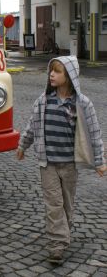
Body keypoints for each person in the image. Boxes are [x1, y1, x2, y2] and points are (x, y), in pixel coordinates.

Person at [16, 56, 106, 265]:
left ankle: (64, 231)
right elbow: (32, 126)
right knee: (53, 204)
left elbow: (94, 133)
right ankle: (57, 245)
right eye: (51, 71)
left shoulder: (82, 104)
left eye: (57, 72)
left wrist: (100, 162)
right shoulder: (43, 101)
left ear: (70, 76)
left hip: (70, 165)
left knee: (67, 203)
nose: (52, 75)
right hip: (47, 164)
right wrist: (22, 146)